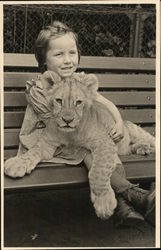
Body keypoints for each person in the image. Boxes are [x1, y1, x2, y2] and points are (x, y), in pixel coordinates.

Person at [20, 21, 155, 226]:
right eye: (59, 54)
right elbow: (60, 127)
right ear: (43, 60)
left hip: (83, 136)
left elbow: (104, 102)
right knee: (92, 150)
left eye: (72, 53)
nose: (67, 61)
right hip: (58, 144)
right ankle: (131, 196)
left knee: (114, 140)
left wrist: (117, 121)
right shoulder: (41, 87)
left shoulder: (80, 82)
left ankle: (124, 204)